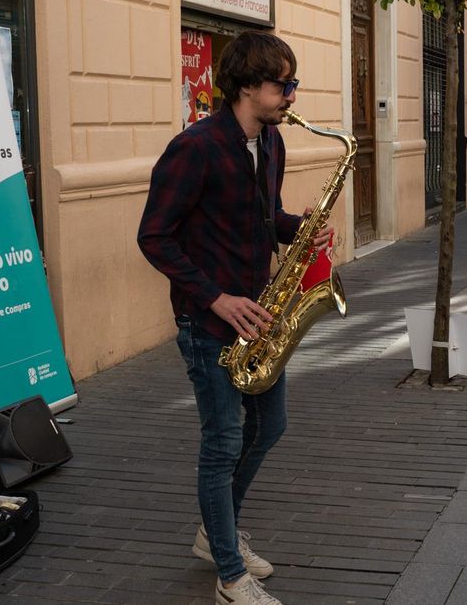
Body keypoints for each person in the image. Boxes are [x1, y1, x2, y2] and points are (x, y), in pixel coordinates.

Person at [138, 31, 333, 605]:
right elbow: (154, 237)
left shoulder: (269, 144)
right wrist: (215, 297)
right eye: (283, 85)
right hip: (210, 323)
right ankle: (228, 575)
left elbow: (263, 215)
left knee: (269, 427)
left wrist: (299, 229)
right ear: (248, 85)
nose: (292, 96)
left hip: (262, 317)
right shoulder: (194, 147)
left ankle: (215, 532)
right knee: (222, 443)